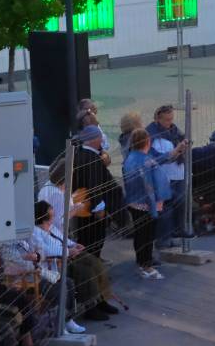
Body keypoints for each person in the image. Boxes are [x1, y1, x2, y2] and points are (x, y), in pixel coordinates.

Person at [30, 201, 116, 322]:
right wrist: (69, 251)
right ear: (43, 213)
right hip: (58, 262)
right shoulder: (35, 232)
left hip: (69, 255)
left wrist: (74, 244)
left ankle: (101, 300)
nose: (53, 211)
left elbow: (64, 239)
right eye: (50, 209)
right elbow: (46, 251)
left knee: (95, 262)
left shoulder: (51, 226)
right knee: (86, 271)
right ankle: (90, 307)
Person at [69, 125, 122, 259]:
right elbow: (94, 185)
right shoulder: (92, 159)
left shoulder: (80, 154)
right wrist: (99, 207)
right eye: (100, 137)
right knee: (94, 239)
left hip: (83, 206)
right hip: (91, 207)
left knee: (85, 238)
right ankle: (92, 265)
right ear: (94, 139)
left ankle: (90, 263)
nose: (102, 140)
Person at [124, 129, 168, 280]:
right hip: (146, 205)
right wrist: (155, 209)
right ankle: (146, 265)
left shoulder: (130, 158)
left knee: (140, 235)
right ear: (147, 142)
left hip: (133, 203)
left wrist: (175, 151)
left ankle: (141, 261)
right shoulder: (144, 161)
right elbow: (148, 187)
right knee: (147, 236)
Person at [147, 106, 190, 249]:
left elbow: (183, 142)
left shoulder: (174, 130)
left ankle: (173, 233)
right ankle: (162, 239)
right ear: (158, 119)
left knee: (179, 203)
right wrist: (174, 152)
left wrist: (185, 145)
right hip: (163, 177)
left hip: (178, 173)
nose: (170, 122)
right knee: (165, 209)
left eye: (171, 119)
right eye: (167, 120)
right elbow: (155, 157)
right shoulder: (151, 134)